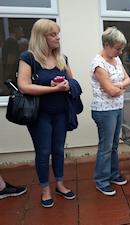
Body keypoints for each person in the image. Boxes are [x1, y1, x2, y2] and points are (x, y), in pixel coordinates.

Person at [17, 19, 76, 208]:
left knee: (59, 150)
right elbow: (24, 86)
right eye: (53, 34)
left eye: (58, 33)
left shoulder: (62, 58)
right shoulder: (28, 57)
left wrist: (66, 85)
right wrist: (52, 89)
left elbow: (72, 81)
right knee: (43, 152)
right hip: (39, 115)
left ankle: (59, 184)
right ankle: (45, 190)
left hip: (60, 113)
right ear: (41, 37)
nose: (58, 37)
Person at [91, 27, 130, 196]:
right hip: (104, 111)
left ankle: (113, 174)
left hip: (117, 107)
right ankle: (101, 180)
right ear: (106, 45)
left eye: (121, 48)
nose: (120, 52)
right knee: (106, 147)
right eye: (117, 48)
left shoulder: (117, 60)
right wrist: (119, 88)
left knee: (114, 145)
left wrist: (119, 86)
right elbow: (110, 91)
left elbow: (129, 80)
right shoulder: (98, 64)